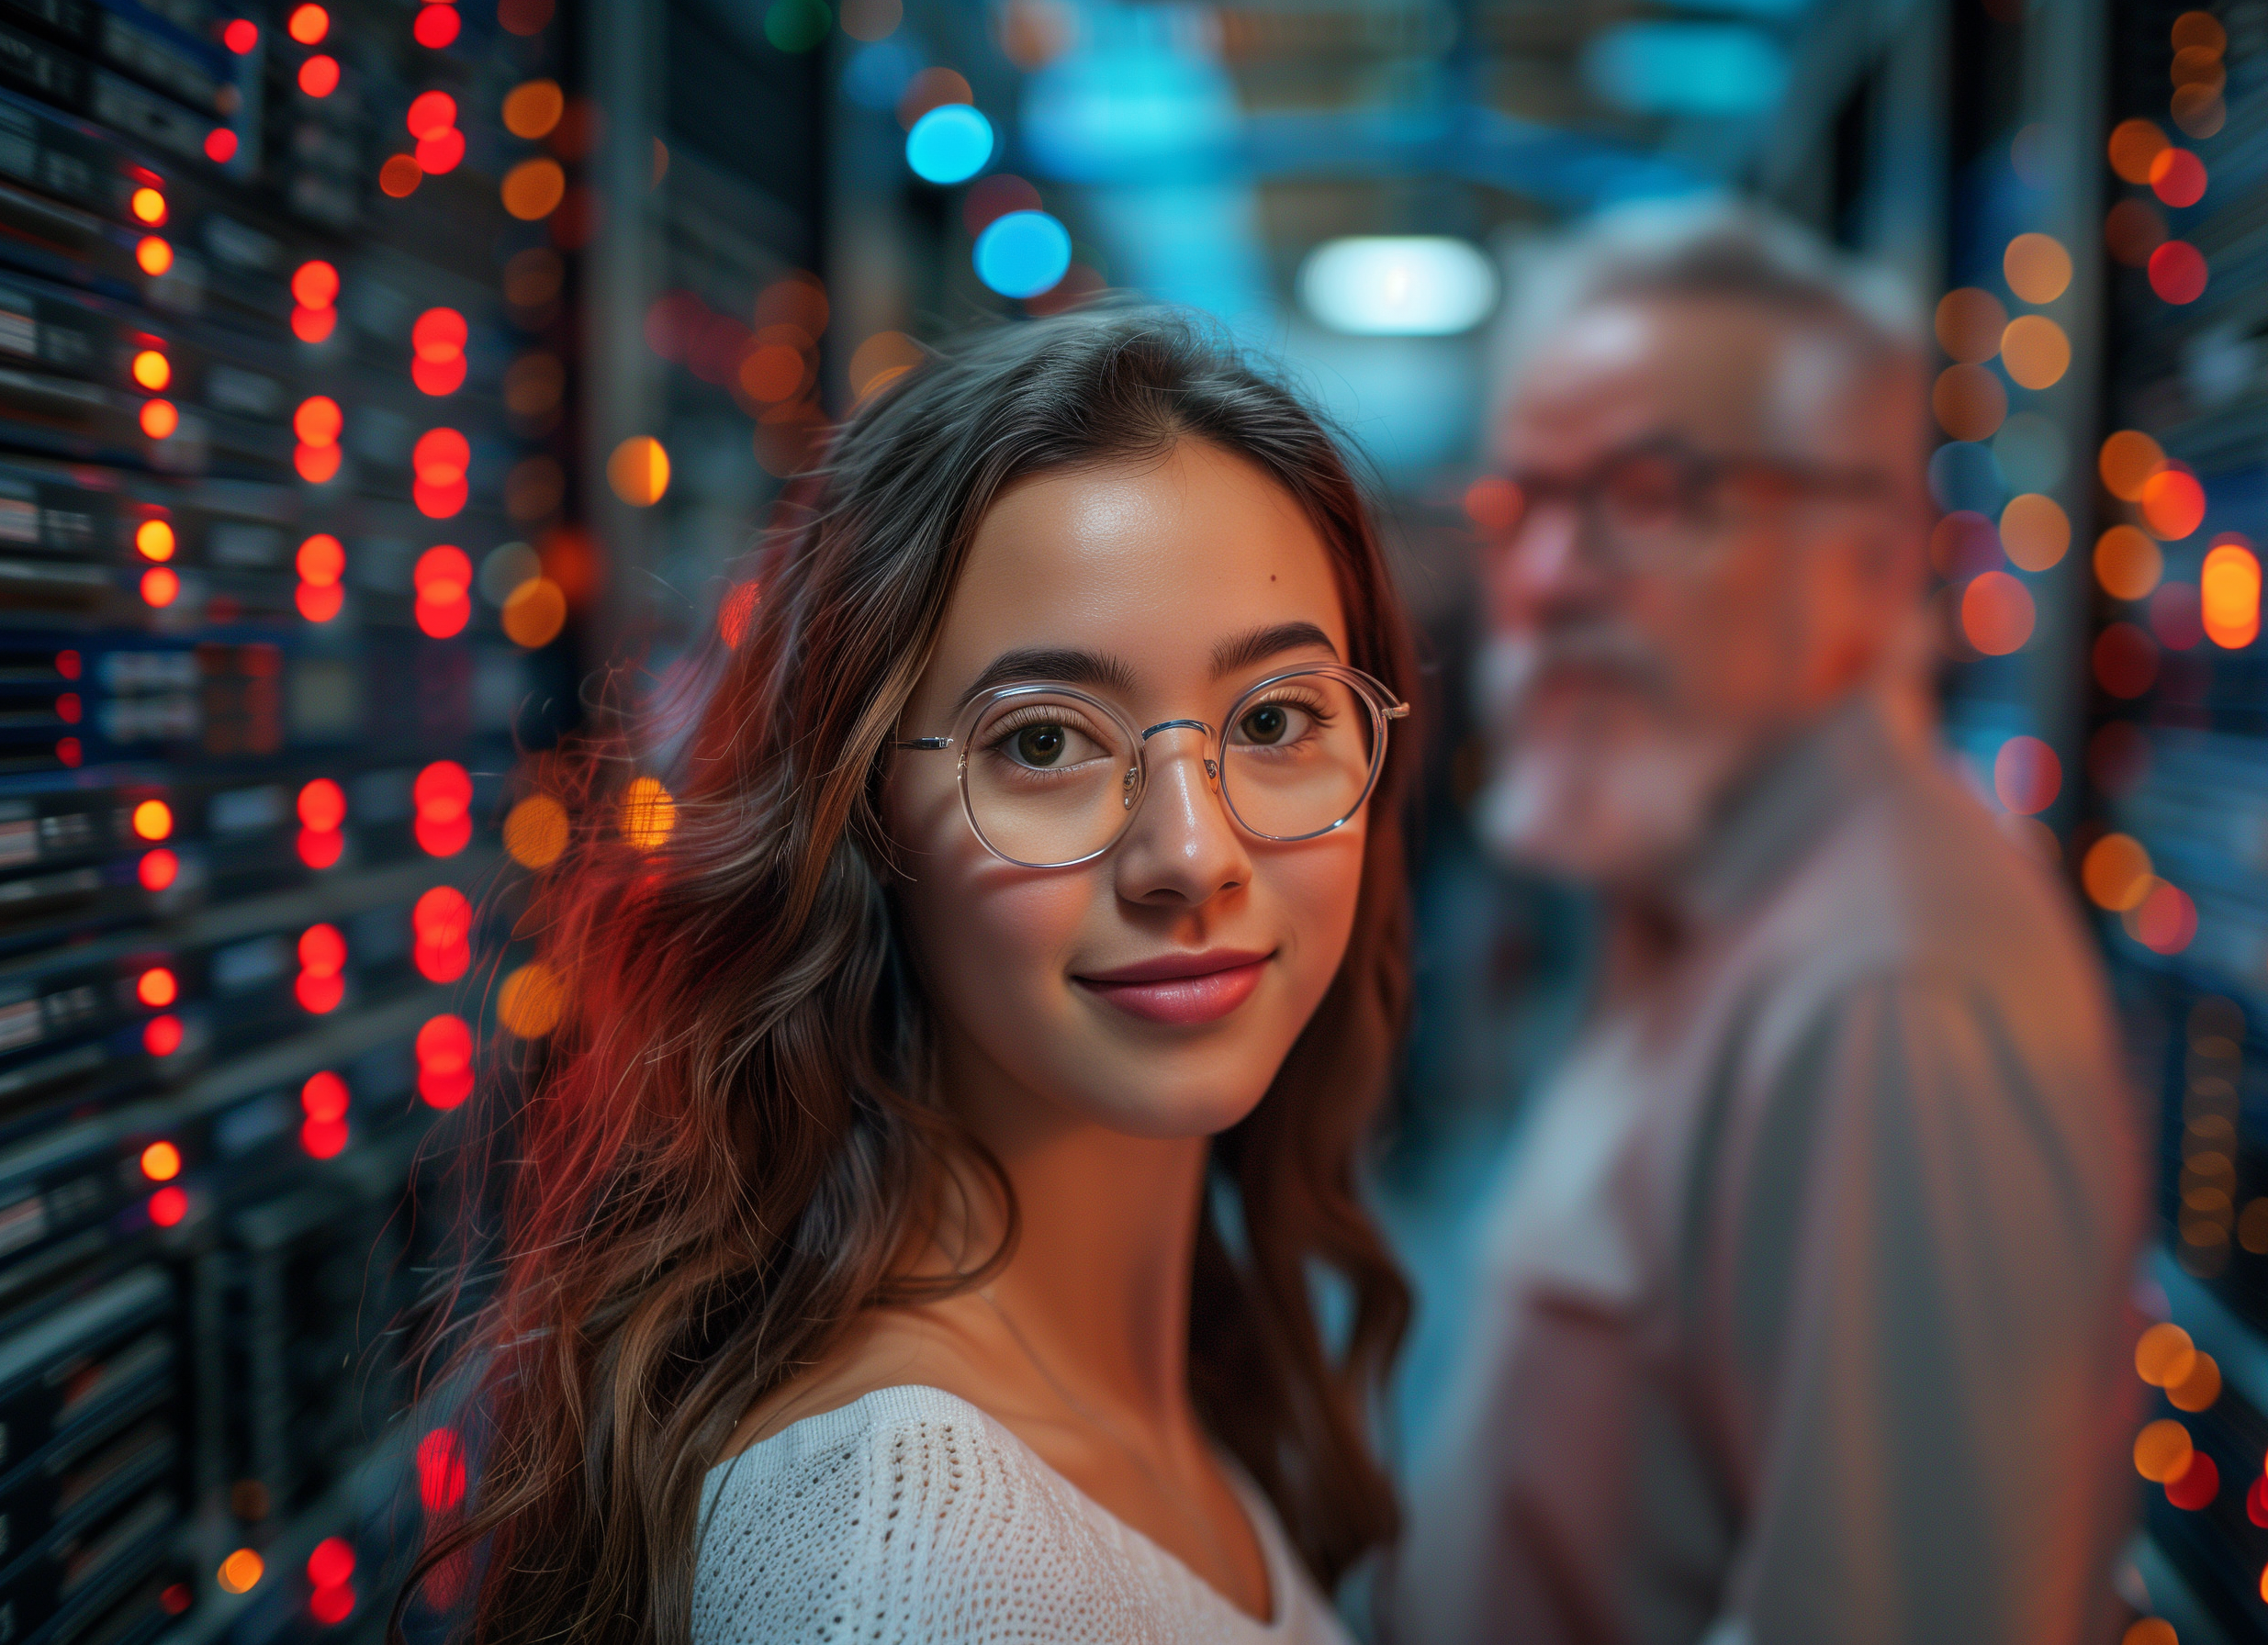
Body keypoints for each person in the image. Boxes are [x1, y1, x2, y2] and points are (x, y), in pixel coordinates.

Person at [404, 309, 1420, 1644]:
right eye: (1046, 740)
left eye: (1278, 720)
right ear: (860, 824)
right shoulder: (906, 1557)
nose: (1192, 853)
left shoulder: (1162, 1375)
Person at [1393, 201, 2149, 1645]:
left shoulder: (1887, 996)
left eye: (1653, 498)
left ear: (1868, 562)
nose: (1545, 581)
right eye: (1524, 503)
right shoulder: (1693, 885)